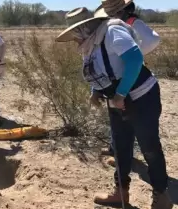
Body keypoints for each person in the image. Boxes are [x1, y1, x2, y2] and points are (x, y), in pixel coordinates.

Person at [55, 7, 172, 209]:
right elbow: (99, 69)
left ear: (86, 27)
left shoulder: (111, 32)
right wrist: (96, 91)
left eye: (76, 32)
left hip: (142, 97)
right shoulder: (89, 43)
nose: (74, 38)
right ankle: (121, 193)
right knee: (120, 147)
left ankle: (161, 197)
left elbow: (135, 60)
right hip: (117, 99)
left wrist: (121, 93)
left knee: (149, 148)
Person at [95, 0, 161, 166]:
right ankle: (116, 149)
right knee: (119, 119)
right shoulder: (113, 25)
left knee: (130, 118)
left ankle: (154, 177)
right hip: (118, 78)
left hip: (133, 80)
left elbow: (153, 40)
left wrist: (132, 56)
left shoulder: (133, 23)